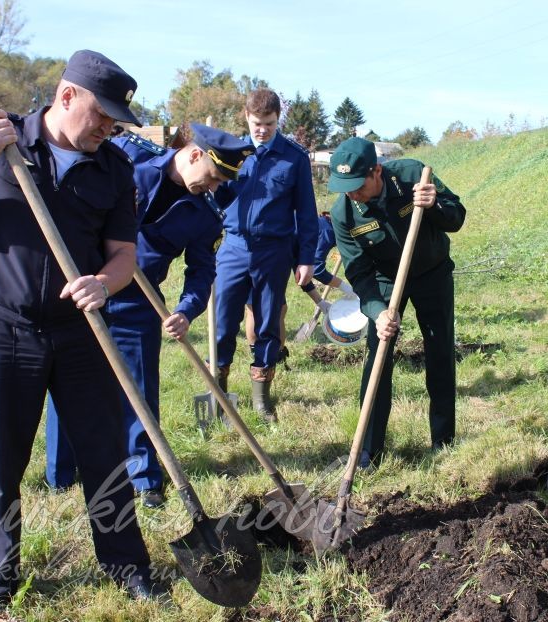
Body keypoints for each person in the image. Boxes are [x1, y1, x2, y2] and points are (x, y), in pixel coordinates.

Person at [0, 50, 162, 609]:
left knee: (104, 454)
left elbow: (124, 255)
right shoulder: (0, 141)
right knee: (0, 460)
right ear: (67, 95)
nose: (108, 127)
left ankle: (127, 566)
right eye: (101, 114)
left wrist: (104, 283)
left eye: (117, 120)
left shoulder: (115, 168)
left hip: (80, 331)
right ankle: (0, 580)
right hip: (2, 327)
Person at [43, 124, 253, 509]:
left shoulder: (206, 215)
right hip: (82, 289)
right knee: (70, 383)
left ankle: (144, 477)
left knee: (140, 394)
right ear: (193, 155)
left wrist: (186, 310)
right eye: (211, 178)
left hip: (139, 302)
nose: (212, 188)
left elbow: (202, 270)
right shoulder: (127, 167)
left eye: (220, 183)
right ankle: (60, 473)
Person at [327, 137, 466, 468]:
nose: (351, 193)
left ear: (376, 171)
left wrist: (435, 205)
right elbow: (359, 273)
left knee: (440, 352)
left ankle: (443, 442)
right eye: (343, 186)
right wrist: (377, 313)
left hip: (432, 273)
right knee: (378, 356)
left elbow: (457, 218)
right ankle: (369, 451)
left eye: (356, 185)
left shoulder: (413, 175)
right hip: (385, 281)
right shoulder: (343, 214)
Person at [213, 88, 319, 422]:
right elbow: (214, 197)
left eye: (269, 124)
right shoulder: (232, 153)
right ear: (247, 117)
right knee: (223, 322)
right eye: (258, 123)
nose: (262, 130)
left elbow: (306, 212)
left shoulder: (294, 158)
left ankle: (261, 400)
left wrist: (306, 259)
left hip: (274, 251)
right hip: (233, 248)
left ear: (278, 120)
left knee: (268, 324)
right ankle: (220, 395)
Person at [242, 212, 355, 352]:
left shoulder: (322, 225)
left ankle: (276, 353)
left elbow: (301, 271)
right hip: (262, 253)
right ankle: (260, 353)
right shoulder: (327, 232)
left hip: (268, 252)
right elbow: (317, 269)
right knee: (255, 308)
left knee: (278, 309)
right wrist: (344, 287)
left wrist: (319, 302)